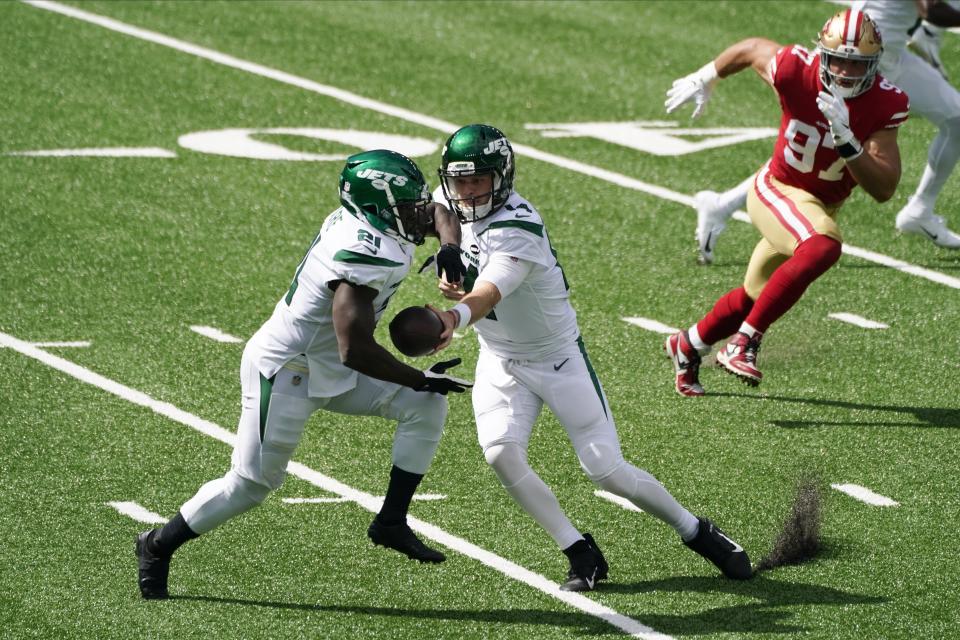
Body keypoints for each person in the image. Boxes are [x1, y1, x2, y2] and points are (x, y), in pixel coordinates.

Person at [135, 150, 472, 600]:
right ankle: (157, 546)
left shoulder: (377, 221)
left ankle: (391, 521)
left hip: (327, 364)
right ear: (379, 210)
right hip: (288, 370)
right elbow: (354, 349)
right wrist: (417, 376)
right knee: (250, 485)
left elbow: (438, 211)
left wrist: (450, 247)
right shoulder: (360, 251)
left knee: (424, 406)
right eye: (407, 208)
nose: (420, 215)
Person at [427, 124, 752, 591]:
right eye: (460, 181)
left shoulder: (518, 227)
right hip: (500, 357)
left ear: (502, 176)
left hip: (555, 357)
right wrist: (449, 247)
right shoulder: (453, 194)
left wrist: (452, 319)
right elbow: (438, 208)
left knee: (606, 469)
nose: (467, 191)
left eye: (478, 181)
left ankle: (696, 531)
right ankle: (580, 552)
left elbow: (488, 294)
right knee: (500, 452)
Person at [662, 7, 908, 396]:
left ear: (874, 65)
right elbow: (751, 48)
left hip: (815, 206)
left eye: (856, 64)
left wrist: (850, 145)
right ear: (823, 57)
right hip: (776, 189)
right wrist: (707, 75)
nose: (844, 72)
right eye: (838, 61)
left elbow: (884, 188)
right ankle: (744, 344)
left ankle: (688, 345)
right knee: (823, 245)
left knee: (756, 296)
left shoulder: (884, 103)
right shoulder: (797, 69)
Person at [677, 0, 960, 264]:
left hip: (885, 54)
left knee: (957, 117)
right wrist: (706, 76)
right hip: (856, 64)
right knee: (818, 155)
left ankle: (920, 210)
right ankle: (721, 206)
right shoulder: (797, 66)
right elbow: (931, 8)